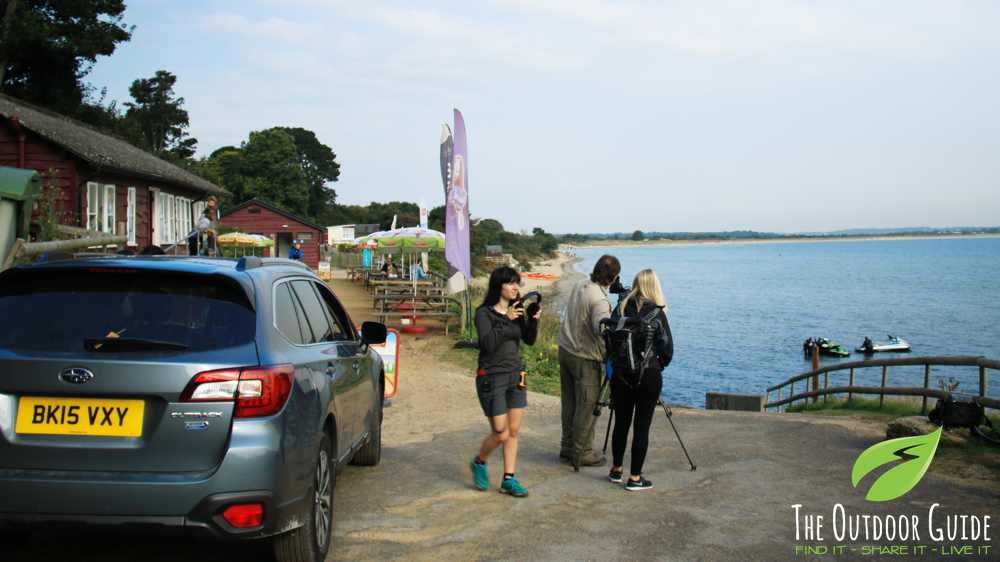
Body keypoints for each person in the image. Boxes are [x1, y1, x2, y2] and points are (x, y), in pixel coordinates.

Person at [470, 266, 541, 498]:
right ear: (498, 286)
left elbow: (529, 340)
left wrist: (533, 320)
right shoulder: (484, 313)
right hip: (491, 376)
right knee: (500, 432)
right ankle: (480, 461)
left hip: (516, 374)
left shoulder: (517, 310)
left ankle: (509, 479)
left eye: (517, 283)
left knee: (513, 430)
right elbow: (488, 344)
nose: (515, 287)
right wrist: (505, 319)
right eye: (511, 283)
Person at [608, 269, 673, 491]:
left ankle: (616, 469)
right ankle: (635, 477)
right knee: (642, 426)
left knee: (621, 422)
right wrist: (657, 365)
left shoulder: (620, 308)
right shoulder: (657, 313)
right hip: (648, 375)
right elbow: (667, 350)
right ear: (654, 287)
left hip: (620, 374)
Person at [557, 254, 620, 467]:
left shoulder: (581, 285)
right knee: (586, 405)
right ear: (613, 277)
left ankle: (567, 447)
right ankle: (582, 451)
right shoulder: (600, 300)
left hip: (565, 349)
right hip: (584, 356)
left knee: (569, 403)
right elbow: (601, 329)